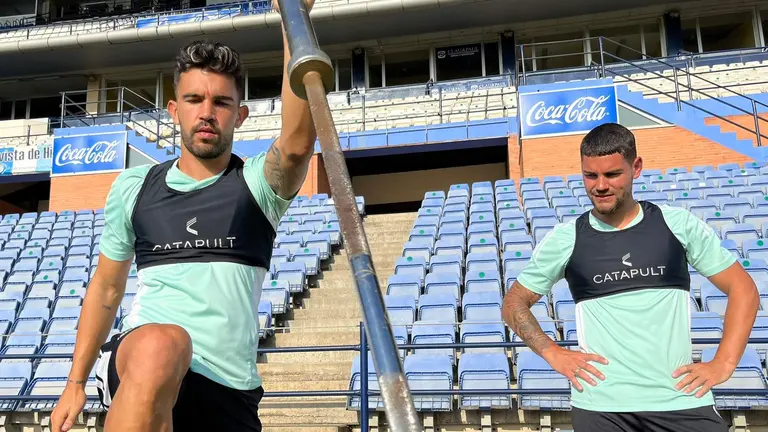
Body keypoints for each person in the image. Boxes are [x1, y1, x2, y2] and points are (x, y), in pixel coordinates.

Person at [50, 2, 317, 430]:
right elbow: (106, 287)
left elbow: (298, 144)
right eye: (193, 99)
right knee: (162, 343)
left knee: (169, 347)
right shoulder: (134, 188)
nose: (206, 112)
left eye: (221, 102)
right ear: (175, 111)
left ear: (240, 115)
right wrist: (75, 382)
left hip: (228, 386)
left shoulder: (257, 187)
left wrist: (294, 19)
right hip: (144, 362)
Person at [502, 122, 760, 432]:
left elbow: (743, 288)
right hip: (601, 408)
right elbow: (514, 303)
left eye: (612, 174)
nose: (600, 185)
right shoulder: (566, 238)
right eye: (590, 175)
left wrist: (724, 363)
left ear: (635, 167)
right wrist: (552, 352)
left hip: (680, 399)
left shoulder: (675, 224)